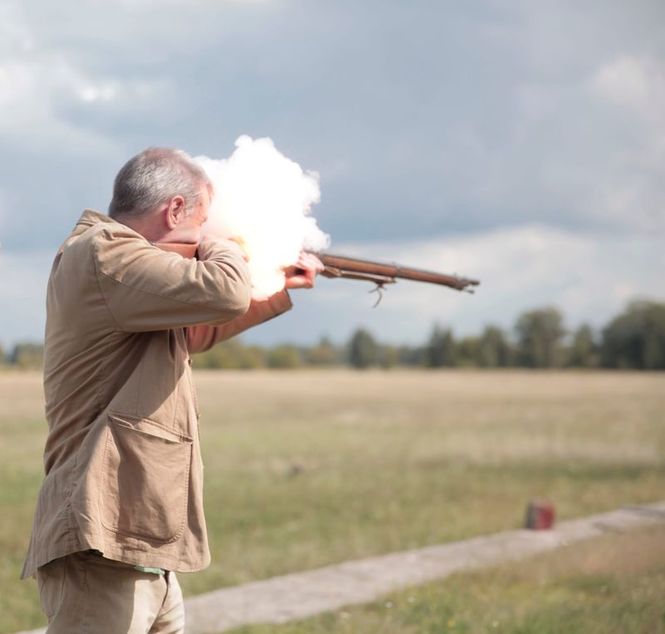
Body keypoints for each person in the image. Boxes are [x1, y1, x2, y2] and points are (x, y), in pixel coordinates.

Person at [21, 147, 323, 633]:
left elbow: (190, 333)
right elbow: (223, 290)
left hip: (135, 536)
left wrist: (274, 289)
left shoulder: (125, 271)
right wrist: (231, 241)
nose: (204, 236)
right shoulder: (105, 251)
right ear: (175, 211)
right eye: (200, 224)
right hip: (102, 532)